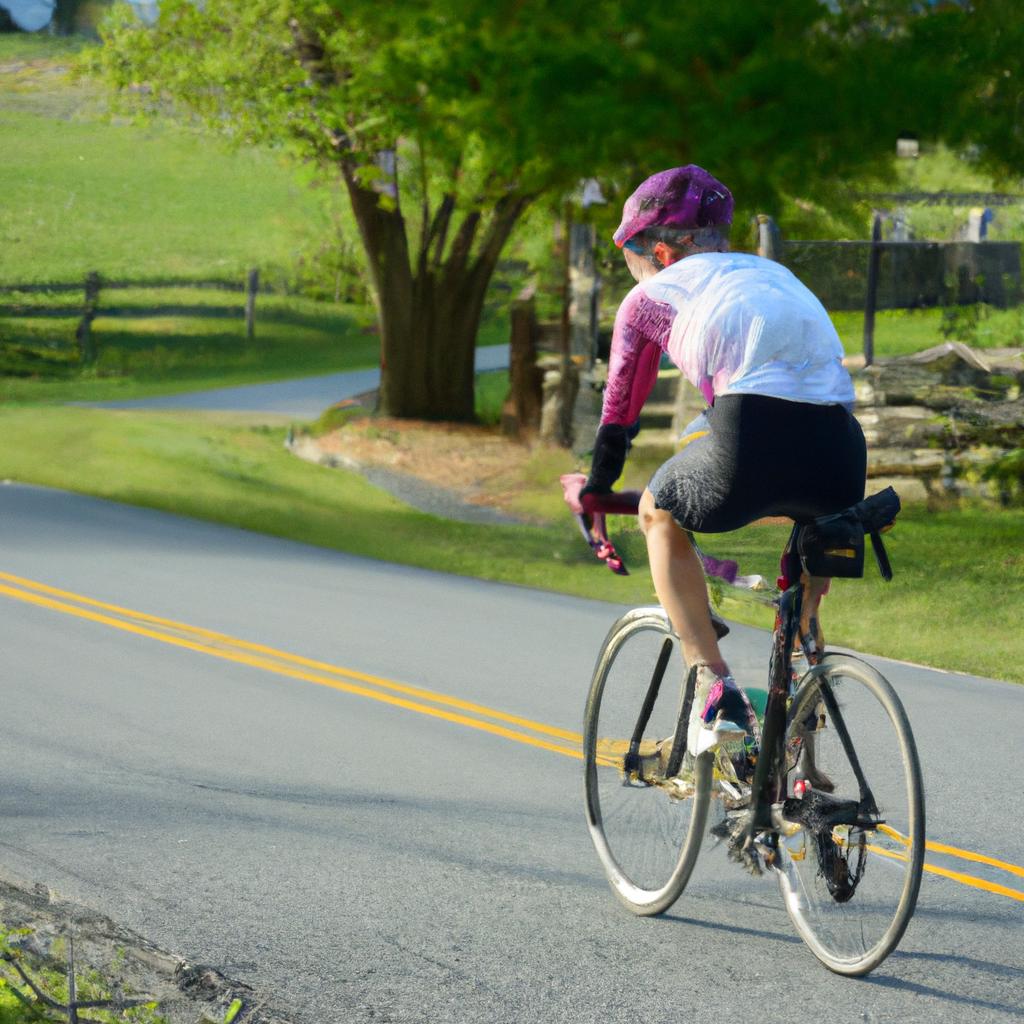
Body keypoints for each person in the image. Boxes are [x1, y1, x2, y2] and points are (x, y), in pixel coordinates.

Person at [580, 165, 866, 769]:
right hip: (842, 451)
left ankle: (717, 692)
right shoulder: (775, 274)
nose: (633, 272)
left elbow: (619, 414)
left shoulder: (647, 299)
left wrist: (596, 493)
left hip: (748, 438)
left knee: (658, 509)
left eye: (632, 258)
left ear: (657, 250)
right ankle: (804, 761)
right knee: (804, 582)